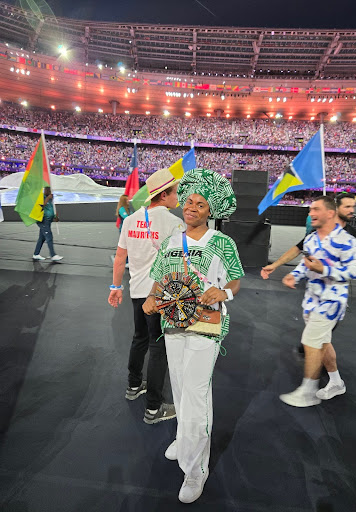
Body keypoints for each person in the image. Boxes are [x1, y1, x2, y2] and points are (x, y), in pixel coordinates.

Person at [142, 168, 244, 504]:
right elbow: (159, 278)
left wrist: (222, 294)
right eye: (189, 202)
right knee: (182, 387)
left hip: (207, 326)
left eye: (200, 204)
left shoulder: (222, 243)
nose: (192, 207)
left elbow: (235, 282)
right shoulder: (171, 241)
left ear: (210, 211)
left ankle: (196, 467)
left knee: (197, 394)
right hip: (172, 323)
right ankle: (185, 441)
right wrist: (151, 297)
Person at [108, 168, 185, 425]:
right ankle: (153, 408)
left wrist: (115, 287)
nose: (178, 197)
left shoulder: (131, 220)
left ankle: (133, 387)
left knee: (139, 338)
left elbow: (120, 257)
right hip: (160, 296)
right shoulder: (175, 223)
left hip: (137, 292)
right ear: (164, 194)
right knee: (157, 347)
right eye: (175, 192)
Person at [279, 196, 356, 408]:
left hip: (331, 302)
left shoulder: (348, 241)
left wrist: (324, 269)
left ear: (330, 213)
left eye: (315, 209)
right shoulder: (311, 239)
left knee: (310, 342)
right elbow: (305, 265)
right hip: (311, 300)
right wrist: (294, 276)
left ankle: (308, 392)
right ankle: (336, 382)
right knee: (323, 344)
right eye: (309, 210)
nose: (311, 213)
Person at [261, 193, 356, 279]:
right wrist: (277, 267)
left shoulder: (352, 235)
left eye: (352, 206)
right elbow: (298, 249)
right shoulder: (317, 233)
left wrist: (325, 270)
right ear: (335, 209)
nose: (352, 210)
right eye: (347, 207)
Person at [32, 186, 63, 261]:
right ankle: (53, 255)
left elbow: (52, 208)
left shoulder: (51, 198)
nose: (48, 190)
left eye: (49, 189)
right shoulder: (42, 197)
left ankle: (36, 254)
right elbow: (41, 206)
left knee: (42, 238)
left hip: (48, 220)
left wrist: (55, 216)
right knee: (49, 236)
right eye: (46, 189)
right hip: (43, 220)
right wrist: (48, 198)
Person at [116, 194, 130, 268]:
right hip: (123, 230)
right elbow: (126, 218)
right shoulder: (122, 209)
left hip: (129, 230)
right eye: (127, 200)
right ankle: (126, 261)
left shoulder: (128, 209)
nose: (128, 201)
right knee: (125, 246)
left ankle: (128, 261)